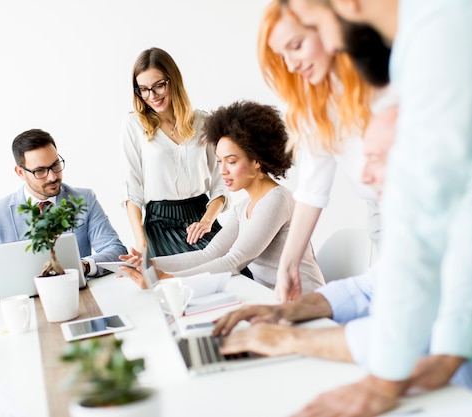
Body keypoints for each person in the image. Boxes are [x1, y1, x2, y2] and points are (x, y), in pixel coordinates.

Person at [281, 0, 472, 415]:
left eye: (314, 26)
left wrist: (384, 378)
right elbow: (468, 202)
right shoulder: (419, 43)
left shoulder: (446, 26)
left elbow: (425, 208)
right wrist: (452, 351)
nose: (327, 44)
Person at [213, 103, 472, 406]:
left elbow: (407, 334)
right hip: (445, 391)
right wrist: (284, 313)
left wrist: (289, 341)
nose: (364, 176)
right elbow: (367, 289)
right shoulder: (422, 218)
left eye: (376, 159)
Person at [119, 101, 324, 294]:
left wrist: (166, 279)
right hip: (270, 298)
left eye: (232, 161)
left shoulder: (277, 200)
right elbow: (209, 254)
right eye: (219, 161)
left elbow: (233, 262)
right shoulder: (243, 208)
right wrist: (150, 264)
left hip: (304, 301)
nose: (223, 171)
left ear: (257, 160)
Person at [257, 1, 384, 302]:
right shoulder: (319, 106)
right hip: (383, 222)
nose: (291, 65)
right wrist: (287, 267)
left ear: (327, 25)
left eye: (297, 46)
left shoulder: (383, 80)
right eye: (282, 55)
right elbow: (311, 190)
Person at [0, 129, 128, 293]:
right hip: (25, 308)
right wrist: (20, 282)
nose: (52, 177)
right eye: (40, 171)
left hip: (76, 298)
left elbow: (116, 251)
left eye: (55, 165)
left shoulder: (84, 199)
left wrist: (81, 266)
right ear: (20, 172)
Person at [120, 47, 228, 257]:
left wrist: (207, 220)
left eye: (158, 86)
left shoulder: (204, 122)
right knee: (188, 276)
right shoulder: (133, 124)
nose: (152, 96)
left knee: (239, 272)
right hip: (161, 223)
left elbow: (220, 184)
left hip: (202, 217)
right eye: (143, 89)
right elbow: (132, 191)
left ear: (173, 80)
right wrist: (141, 242)